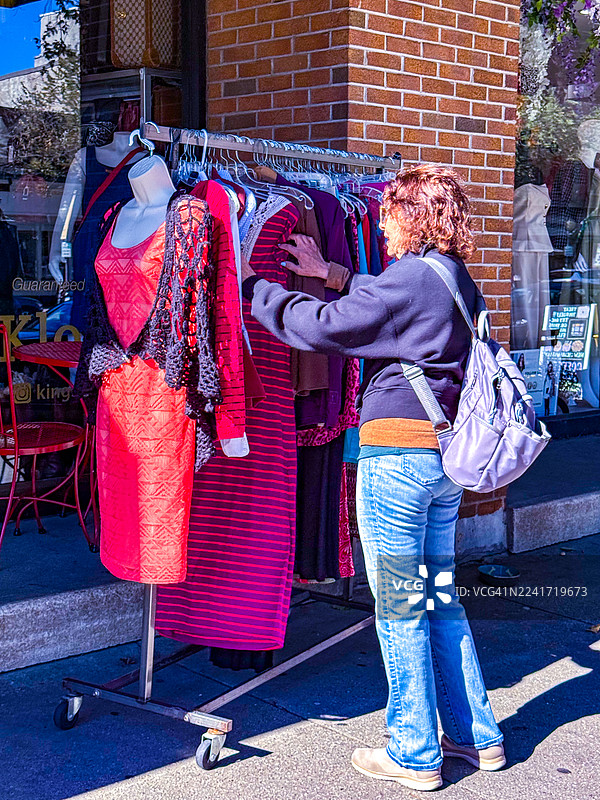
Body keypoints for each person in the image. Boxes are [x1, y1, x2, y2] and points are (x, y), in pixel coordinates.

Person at [241, 164, 505, 792]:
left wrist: (252, 288)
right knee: (438, 597)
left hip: (397, 462)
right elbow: (389, 307)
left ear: (411, 215)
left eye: (389, 214)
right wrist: (330, 274)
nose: (381, 226)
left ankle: (414, 752)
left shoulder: (411, 276)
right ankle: (475, 737)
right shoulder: (452, 278)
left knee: (400, 606)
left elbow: (324, 329)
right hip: (441, 463)